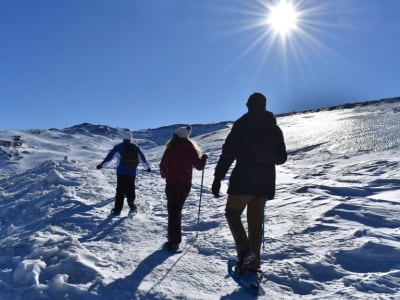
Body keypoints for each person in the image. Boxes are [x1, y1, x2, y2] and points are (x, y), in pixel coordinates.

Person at [211, 92, 287, 275]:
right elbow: (282, 158)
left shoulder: (241, 125)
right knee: (255, 222)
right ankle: (253, 265)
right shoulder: (274, 128)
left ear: (248, 105)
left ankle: (245, 254)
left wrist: (217, 177)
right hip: (264, 184)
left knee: (232, 213)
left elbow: (228, 153)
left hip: (243, 181)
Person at [159, 125, 208, 251]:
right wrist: (204, 158)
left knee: (173, 212)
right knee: (177, 210)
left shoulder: (170, 149)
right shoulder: (191, 150)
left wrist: (165, 175)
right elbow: (199, 167)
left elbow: (163, 166)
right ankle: (175, 240)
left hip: (172, 184)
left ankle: (173, 241)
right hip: (185, 185)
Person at [97, 132, 151, 216]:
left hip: (121, 173)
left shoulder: (118, 147)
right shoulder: (135, 147)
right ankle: (132, 206)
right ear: (130, 138)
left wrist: (101, 166)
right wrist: (147, 168)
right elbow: (142, 159)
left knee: (120, 191)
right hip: (132, 173)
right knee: (131, 189)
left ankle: (117, 210)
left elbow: (109, 158)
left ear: (123, 138)